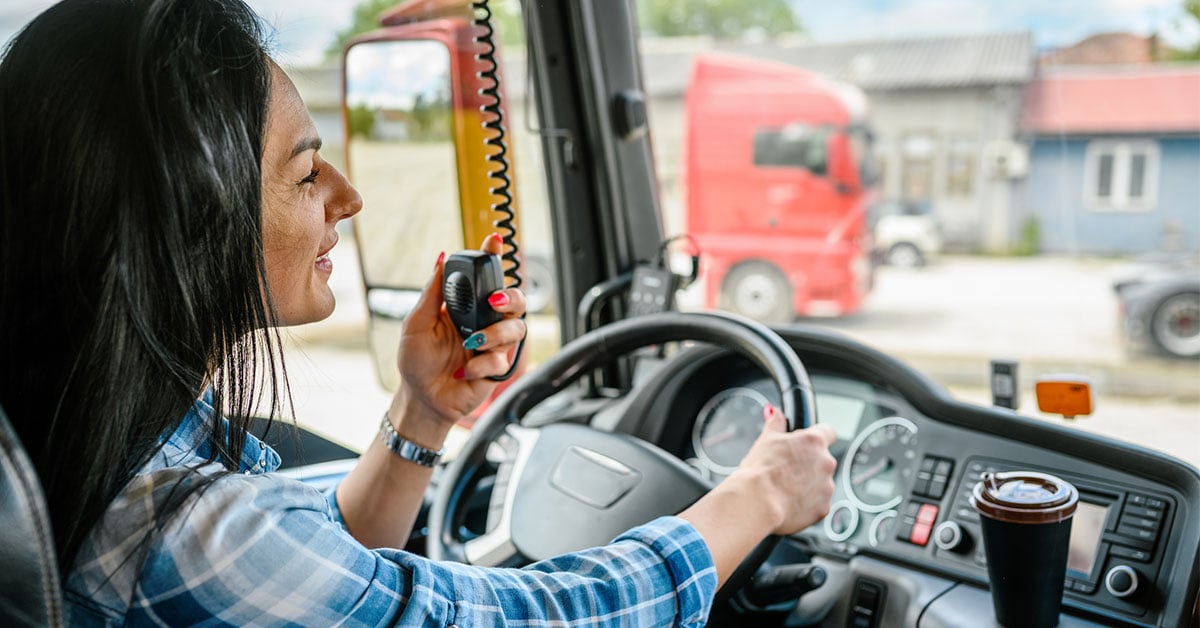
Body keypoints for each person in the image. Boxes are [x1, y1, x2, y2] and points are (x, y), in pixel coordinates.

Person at [0, 0, 837, 625]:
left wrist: (423, 411)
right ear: (185, 224)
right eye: (304, 175)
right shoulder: (175, 531)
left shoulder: (88, 442)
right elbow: (520, 618)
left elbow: (320, 579)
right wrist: (756, 497)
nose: (349, 198)